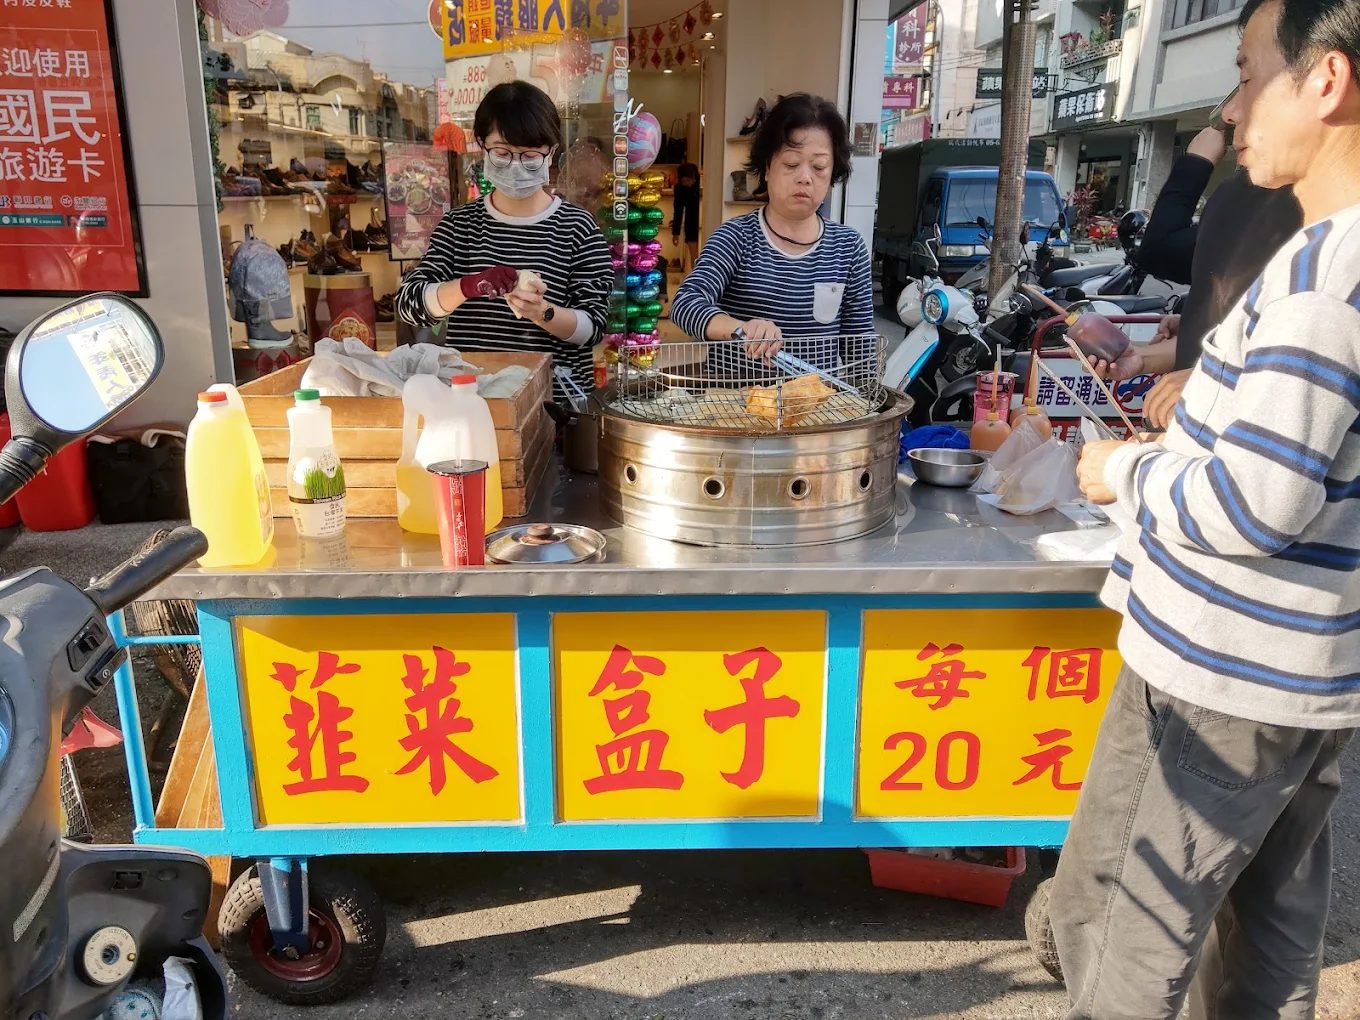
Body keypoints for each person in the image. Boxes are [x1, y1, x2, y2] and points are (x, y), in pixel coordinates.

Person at [1062, 2, 1360, 1018]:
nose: (1232, 110)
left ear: (1325, 81)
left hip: (1226, 671)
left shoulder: (1322, 278)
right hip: (1304, 670)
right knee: (1268, 923)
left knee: (1126, 937)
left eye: (1246, 73)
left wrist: (1124, 472)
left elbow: (1253, 504)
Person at [395, 82, 612, 400]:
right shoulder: (459, 226)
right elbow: (409, 305)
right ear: (482, 146)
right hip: (475, 402)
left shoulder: (578, 228)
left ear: (551, 152)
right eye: (502, 153)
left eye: (530, 155)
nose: (516, 165)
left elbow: (593, 326)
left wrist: (543, 312)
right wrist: (468, 286)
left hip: (555, 404)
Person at [1095, 123, 1301, 427]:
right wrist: (1186, 332)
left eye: (1249, 92)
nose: (1230, 114)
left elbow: (1160, 248)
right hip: (1195, 429)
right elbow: (1240, 332)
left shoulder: (1269, 199)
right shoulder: (1251, 194)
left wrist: (1196, 162)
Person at [669, 93, 874, 376]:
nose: (805, 177)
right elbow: (686, 303)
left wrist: (864, 397)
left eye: (819, 167)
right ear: (767, 168)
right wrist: (741, 329)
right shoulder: (736, 237)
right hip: (734, 399)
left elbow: (859, 348)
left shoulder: (847, 247)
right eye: (791, 164)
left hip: (815, 402)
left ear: (832, 174)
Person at [671, 162, 701, 274]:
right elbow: (678, 211)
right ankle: (697, 276)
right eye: (685, 181)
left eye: (690, 180)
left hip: (702, 220)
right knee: (695, 256)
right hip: (691, 223)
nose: (689, 183)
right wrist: (676, 233)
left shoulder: (702, 183)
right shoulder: (679, 189)